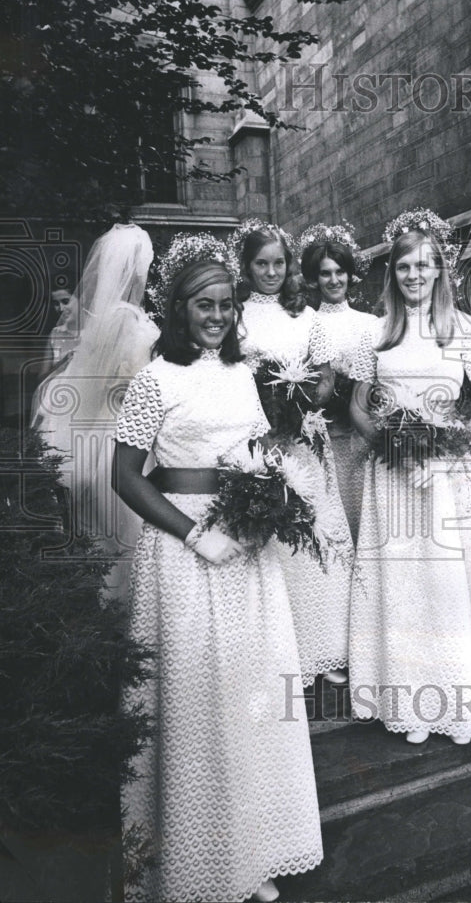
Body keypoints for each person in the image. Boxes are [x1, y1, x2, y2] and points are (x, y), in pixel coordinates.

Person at [112, 254, 323, 903]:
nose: (217, 316)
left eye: (226, 305)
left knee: (250, 700)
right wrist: (194, 532)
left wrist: (269, 507)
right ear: (179, 310)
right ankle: (193, 866)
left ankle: (253, 854)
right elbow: (124, 476)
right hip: (184, 552)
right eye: (205, 305)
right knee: (196, 702)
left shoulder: (240, 373)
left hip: (248, 552)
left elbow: (260, 455)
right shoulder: (155, 380)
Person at [348, 209, 471, 745]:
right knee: (405, 586)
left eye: (424, 265)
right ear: (392, 274)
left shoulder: (462, 328)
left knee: (448, 585)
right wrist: (391, 444)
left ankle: (456, 701)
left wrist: (445, 453)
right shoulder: (377, 333)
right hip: (394, 478)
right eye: (404, 267)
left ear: (441, 269)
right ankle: (408, 700)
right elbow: (357, 407)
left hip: (449, 477)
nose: (414, 275)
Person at [234, 222, 354, 686]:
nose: (270, 271)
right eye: (261, 263)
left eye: (278, 263)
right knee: (274, 543)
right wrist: (263, 418)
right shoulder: (238, 316)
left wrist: (297, 407)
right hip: (256, 444)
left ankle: (328, 648)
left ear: (289, 267)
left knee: (315, 535)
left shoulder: (307, 318)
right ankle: (280, 653)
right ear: (246, 267)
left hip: (302, 440)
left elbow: (325, 379)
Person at [31, 222, 159, 565]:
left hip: (108, 428)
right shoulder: (124, 318)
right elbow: (120, 381)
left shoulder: (109, 317)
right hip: (121, 430)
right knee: (128, 530)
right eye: (144, 266)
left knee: (109, 533)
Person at [300, 224, 376, 543]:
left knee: (364, 519)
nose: (334, 280)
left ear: (350, 275)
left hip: (363, 437)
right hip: (324, 435)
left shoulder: (369, 324)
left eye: (340, 272)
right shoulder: (306, 323)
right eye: (325, 273)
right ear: (315, 279)